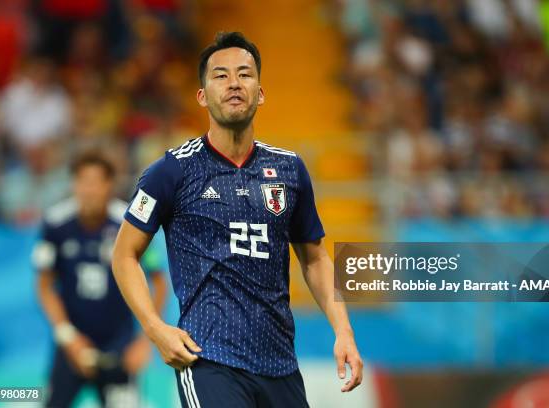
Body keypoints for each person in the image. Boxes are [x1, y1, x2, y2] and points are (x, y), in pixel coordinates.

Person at [112, 31, 363, 408]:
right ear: (202, 96)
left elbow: (315, 257)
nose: (233, 83)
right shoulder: (171, 172)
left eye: (245, 74)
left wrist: (343, 331)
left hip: (280, 365)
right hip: (210, 361)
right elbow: (124, 254)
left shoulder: (289, 169)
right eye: (221, 75)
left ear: (260, 93)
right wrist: (155, 328)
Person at [34, 151, 167, 408]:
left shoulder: (129, 223)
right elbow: (44, 285)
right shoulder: (56, 223)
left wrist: (146, 340)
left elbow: (159, 281)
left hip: (120, 347)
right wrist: (67, 336)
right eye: (82, 181)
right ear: (73, 184)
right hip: (73, 345)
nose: (89, 190)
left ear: (109, 185)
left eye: (96, 182)